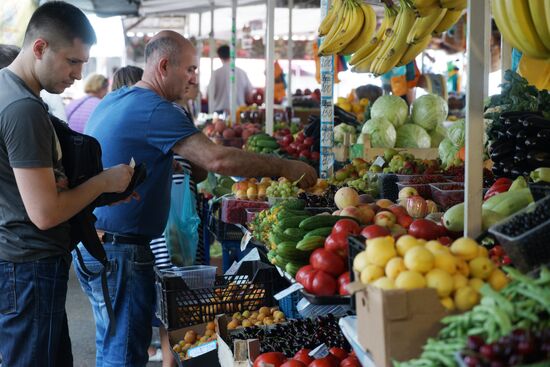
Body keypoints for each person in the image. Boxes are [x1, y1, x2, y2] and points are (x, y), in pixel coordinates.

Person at [75, 30, 317, 366]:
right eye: (189, 69)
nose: (193, 78)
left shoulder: (118, 98)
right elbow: (217, 160)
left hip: (94, 242)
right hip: (120, 250)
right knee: (123, 354)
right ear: (163, 65)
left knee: (111, 343)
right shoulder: (157, 109)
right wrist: (285, 167)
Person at [0, 3, 134, 367]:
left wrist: (97, 194)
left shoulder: (11, 92)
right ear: (40, 48)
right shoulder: (22, 109)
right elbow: (45, 213)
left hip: (23, 262)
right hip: (28, 265)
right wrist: (103, 181)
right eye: (72, 61)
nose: (78, 74)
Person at [207, 44, 253, 114]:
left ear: (219, 56)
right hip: (240, 112)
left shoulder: (216, 74)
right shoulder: (242, 73)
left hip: (220, 113)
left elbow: (209, 95)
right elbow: (249, 96)